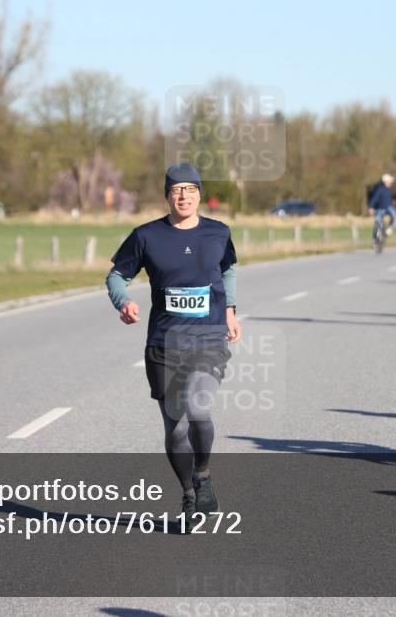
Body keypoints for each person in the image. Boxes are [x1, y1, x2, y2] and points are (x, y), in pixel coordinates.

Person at [106, 163, 241, 530]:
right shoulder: (147, 236)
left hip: (208, 337)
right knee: (176, 429)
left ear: (199, 194)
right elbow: (117, 275)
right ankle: (188, 492)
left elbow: (227, 269)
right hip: (165, 343)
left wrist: (229, 308)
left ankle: (204, 474)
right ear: (167, 195)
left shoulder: (218, 232)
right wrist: (123, 302)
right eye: (176, 190)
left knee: (199, 406)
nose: (184, 196)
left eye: (191, 189)